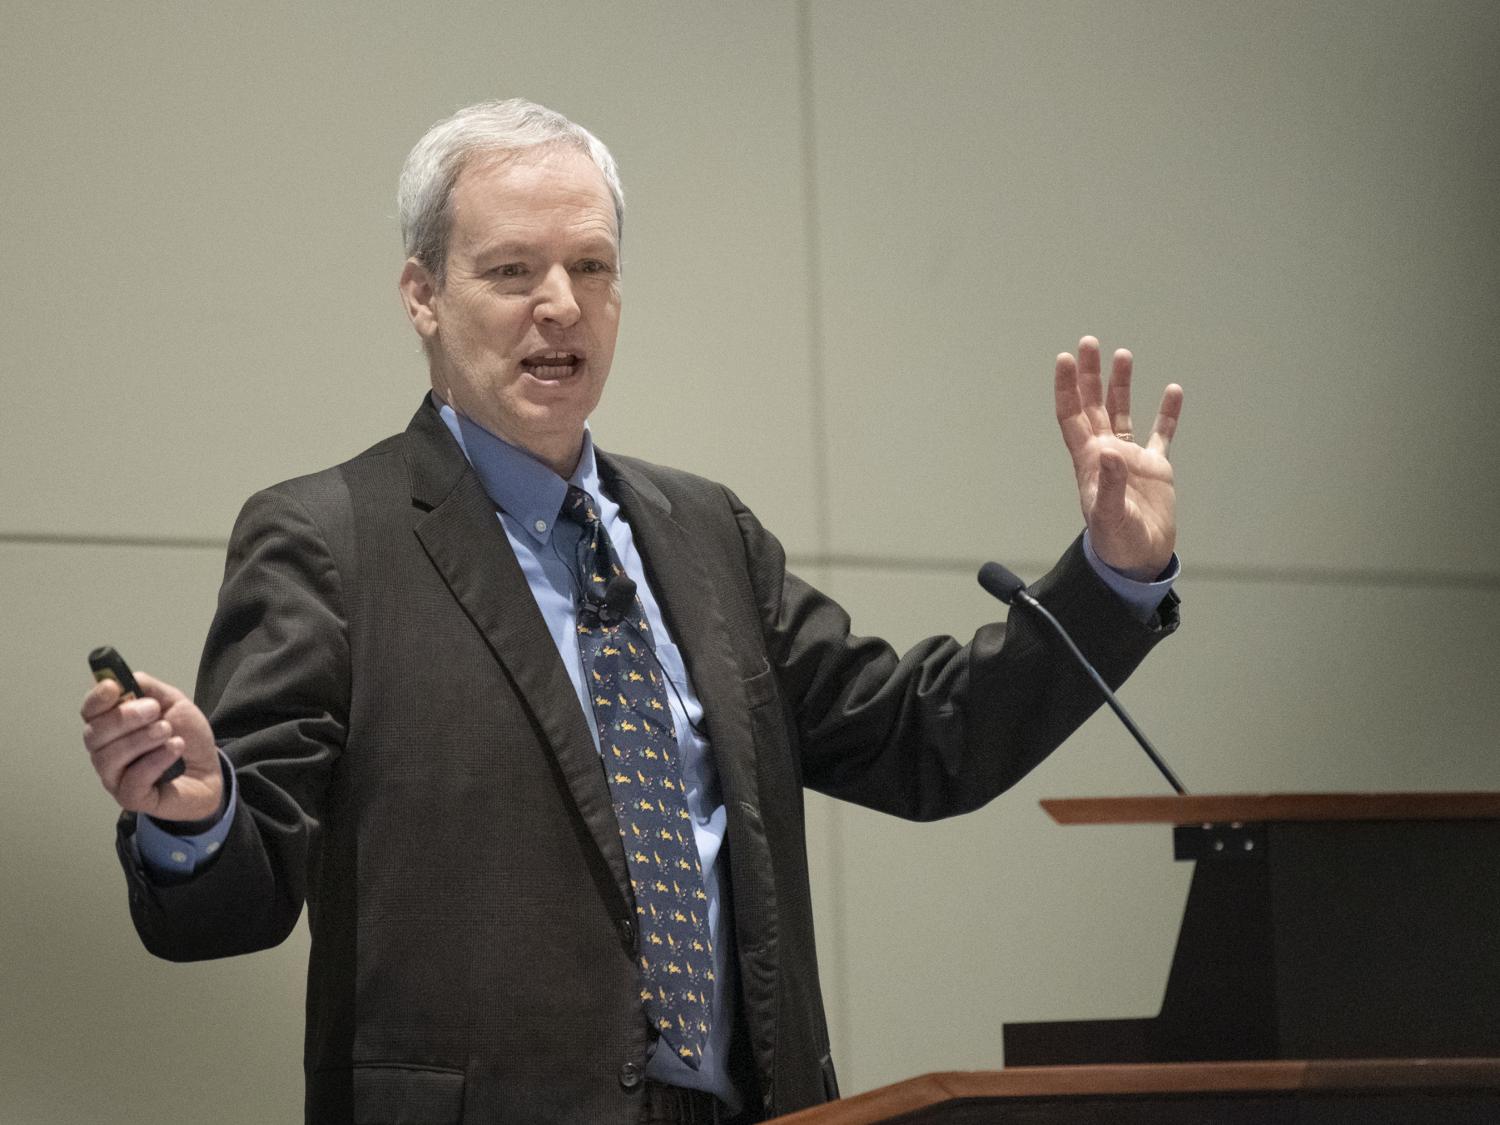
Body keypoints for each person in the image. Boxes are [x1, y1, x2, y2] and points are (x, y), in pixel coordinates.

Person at [80, 99, 1183, 1125]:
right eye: (512, 269)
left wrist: (1111, 575)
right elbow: (235, 901)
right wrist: (197, 817)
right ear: (423, 293)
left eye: (591, 266)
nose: (559, 304)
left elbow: (921, 741)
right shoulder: (329, 541)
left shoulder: (706, 534)